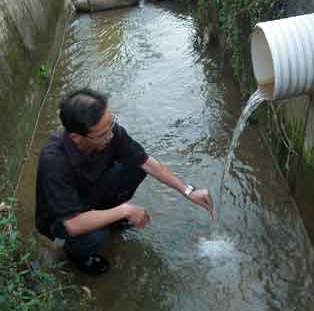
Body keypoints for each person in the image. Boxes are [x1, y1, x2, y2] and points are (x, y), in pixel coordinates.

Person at [35, 88, 214, 275]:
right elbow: (73, 224)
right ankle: (76, 254)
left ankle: (109, 218)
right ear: (76, 137)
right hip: (64, 216)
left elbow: (146, 162)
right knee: (96, 235)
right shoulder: (54, 161)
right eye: (103, 134)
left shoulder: (110, 132)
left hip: (91, 191)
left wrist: (188, 191)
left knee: (136, 167)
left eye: (112, 124)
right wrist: (125, 210)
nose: (111, 136)